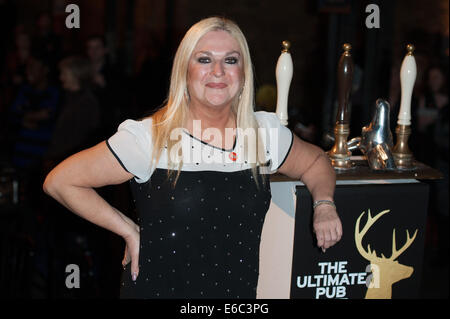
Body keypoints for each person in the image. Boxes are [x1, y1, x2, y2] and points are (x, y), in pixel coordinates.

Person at [43, 17, 342, 299]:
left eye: (230, 60)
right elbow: (60, 182)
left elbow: (316, 162)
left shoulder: (264, 134)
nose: (218, 71)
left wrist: (324, 205)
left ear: (244, 72)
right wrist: (127, 229)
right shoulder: (150, 138)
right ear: (184, 70)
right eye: (204, 59)